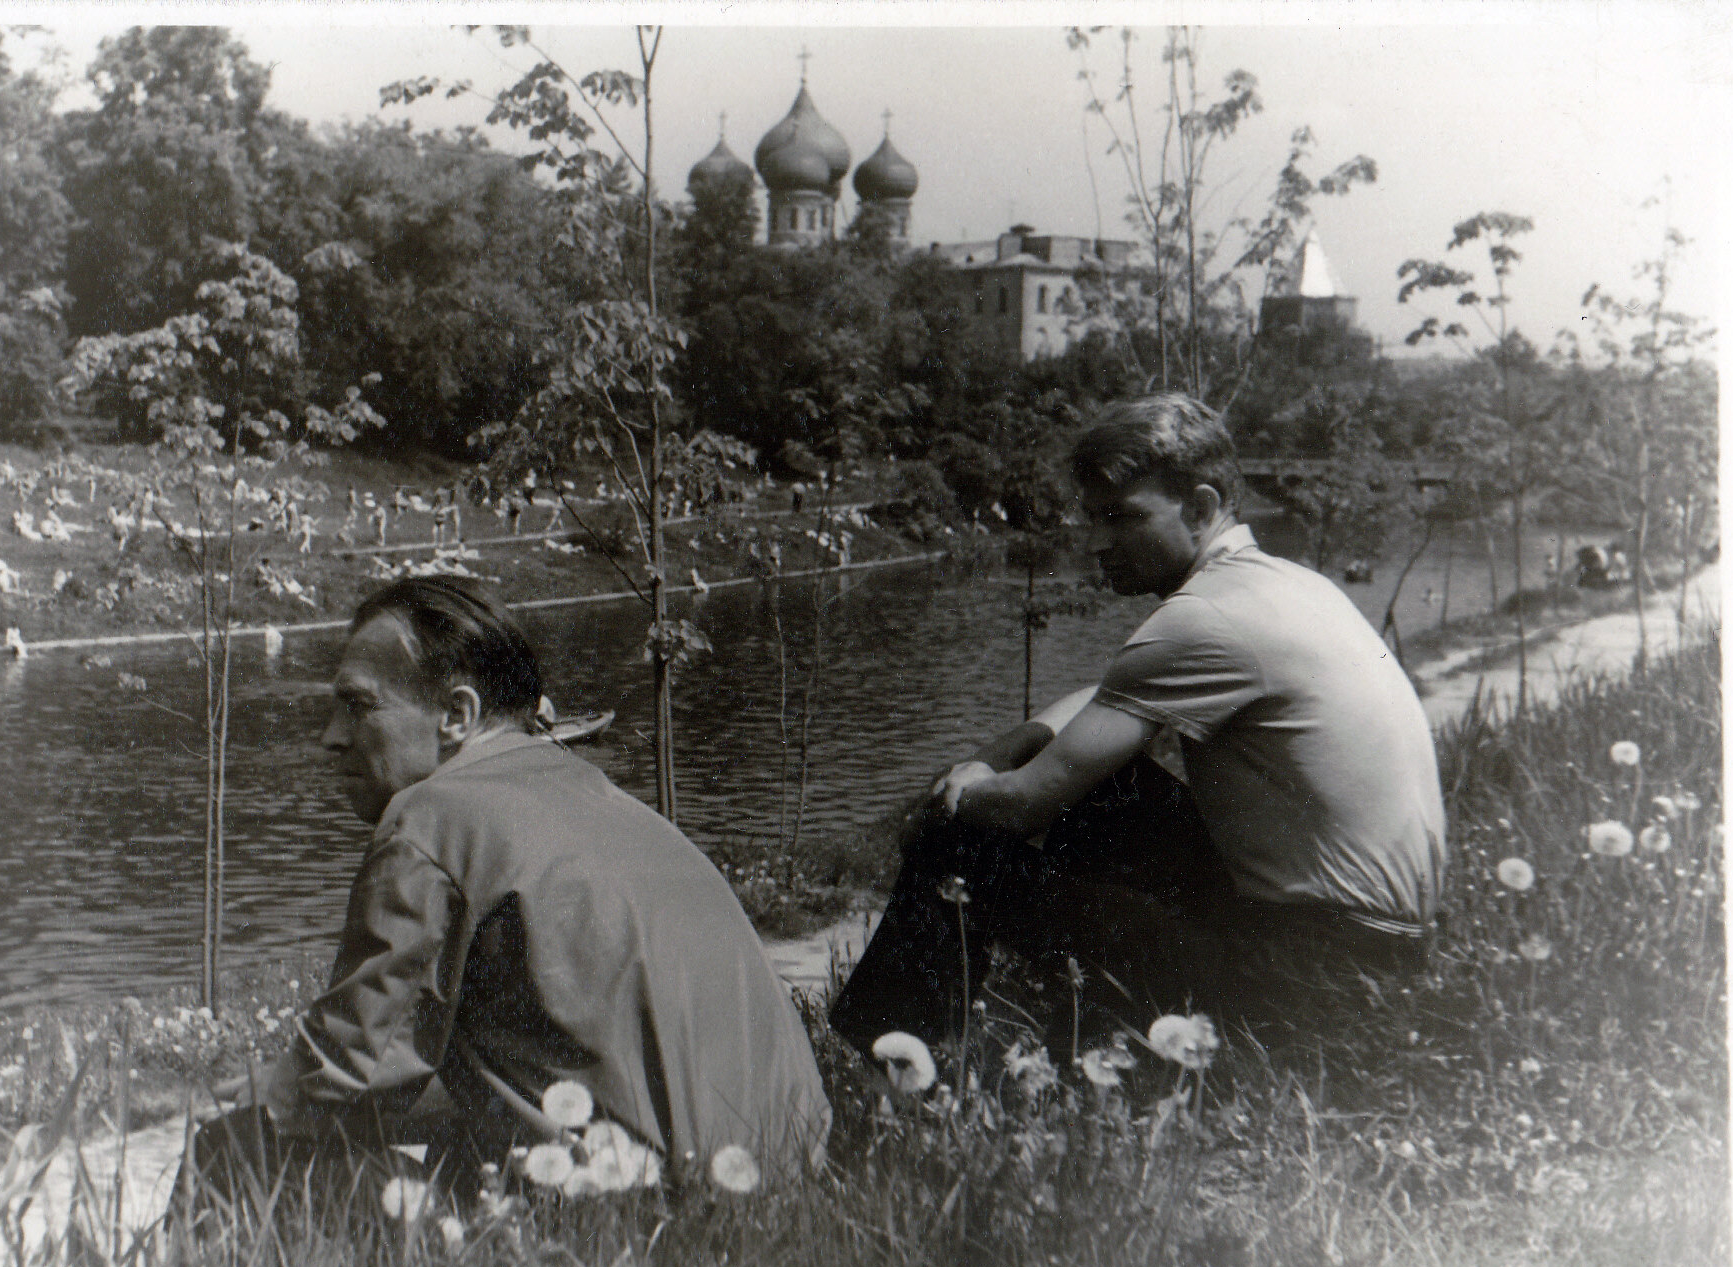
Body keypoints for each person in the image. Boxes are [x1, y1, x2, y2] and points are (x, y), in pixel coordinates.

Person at [829, 394, 1447, 1052]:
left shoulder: (1203, 618)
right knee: (1107, 785)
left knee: (960, 837)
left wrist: (957, 793)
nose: (1098, 542)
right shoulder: (1287, 586)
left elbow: (1023, 803)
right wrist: (989, 758)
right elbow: (1106, 696)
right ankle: (1078, 1037)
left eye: (1122, 518)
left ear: (1202, 507)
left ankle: (891, 1074)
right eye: (1093, 518)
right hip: (1380, 957)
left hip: (1309, 975)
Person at [194, 576, 830, 1196]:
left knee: (233, 1146)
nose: (330, 737)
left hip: (635, 1208)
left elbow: (349, 1078)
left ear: (456, 714)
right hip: (783, 1182)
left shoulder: (430, 816)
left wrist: (272, 1092)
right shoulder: (587, 792)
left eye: (358, 706)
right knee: (450, 1133)